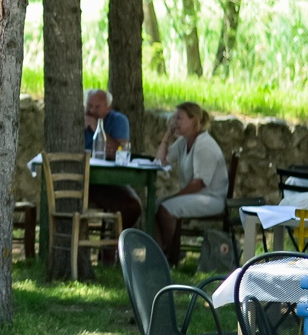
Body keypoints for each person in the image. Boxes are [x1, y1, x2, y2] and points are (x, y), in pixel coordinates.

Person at [153, 101, 229, 263]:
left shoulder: (204, 145)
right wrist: (167, 135)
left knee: (166, 208)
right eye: (174, 118)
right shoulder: (183, 142)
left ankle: (172, 254)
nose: (175, 122)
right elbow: (160, 162)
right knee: (154, 205)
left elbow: (199, 183)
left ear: (194, 121)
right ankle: (160, 255)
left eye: (179, 118)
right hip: (197, 195)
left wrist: (174, 197)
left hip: (211, 198)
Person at [84, 87, 141, 232]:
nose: (92, 110)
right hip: (81, 178)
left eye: (97, 107)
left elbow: (120, 150)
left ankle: (112, 245)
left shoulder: (118, 120)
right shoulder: (77, 119)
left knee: (133, 206)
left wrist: (97, 127)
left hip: (108, 182)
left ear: (108, 108)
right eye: (89, 105)